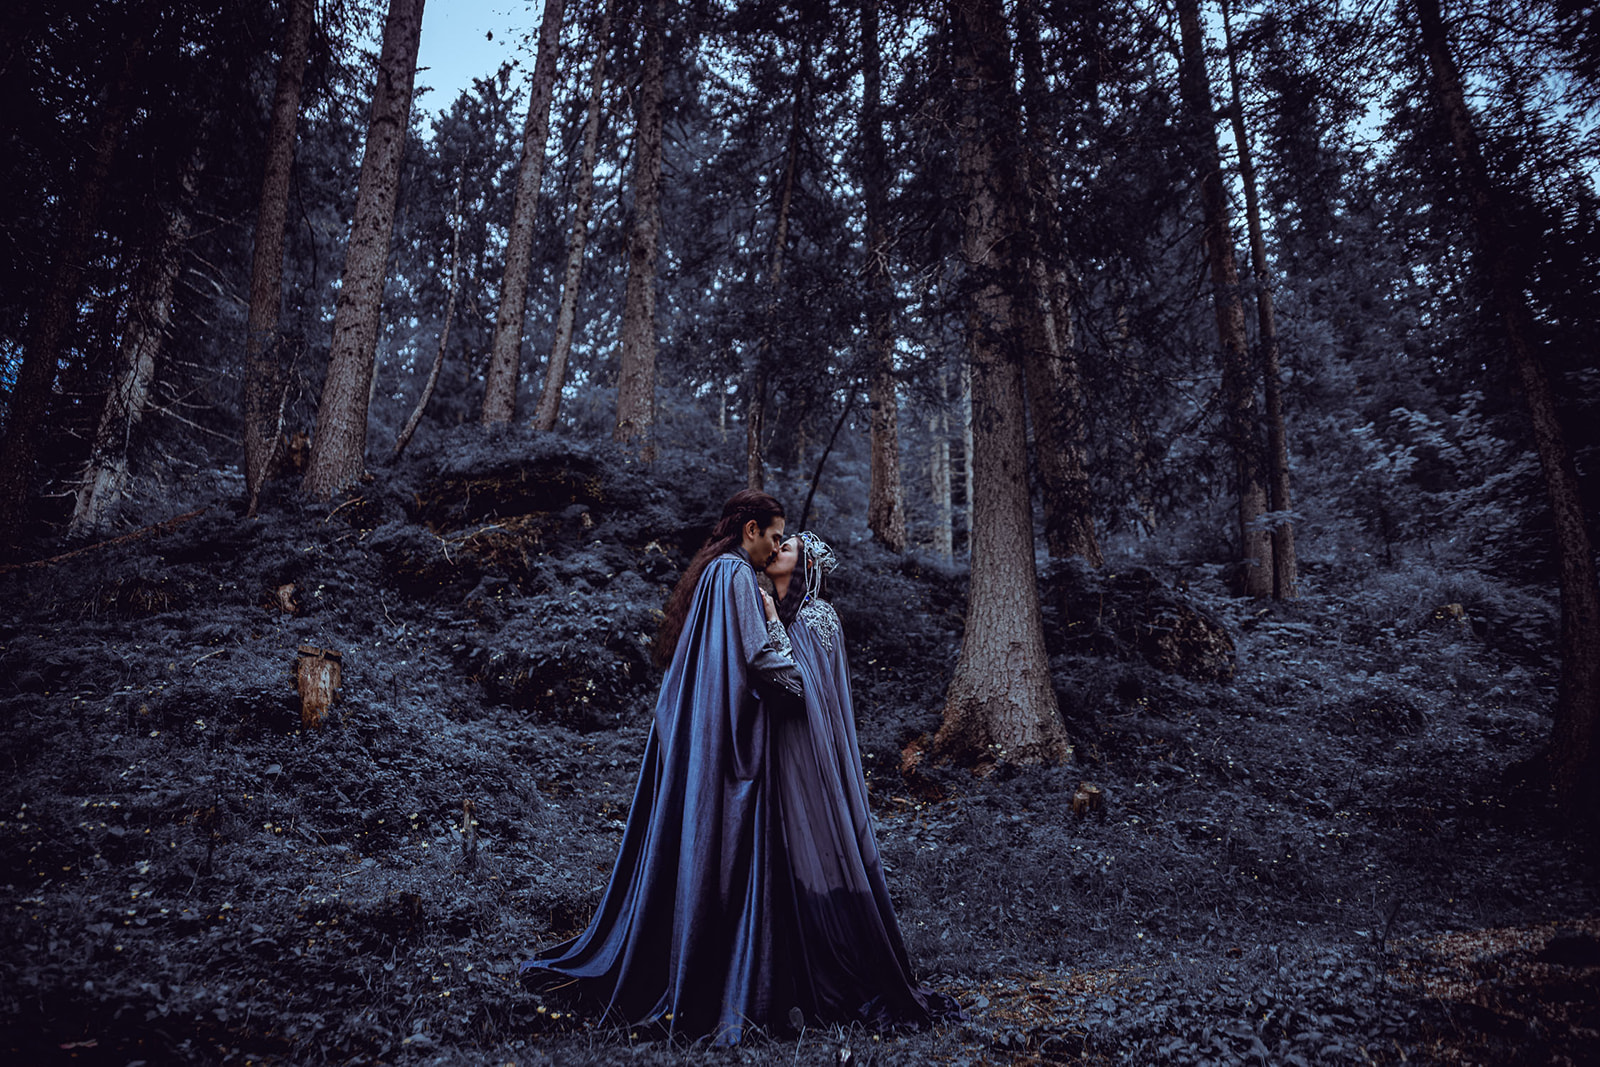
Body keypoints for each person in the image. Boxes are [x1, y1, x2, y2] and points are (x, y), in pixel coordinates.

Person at [520, 490, 807, 1044]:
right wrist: (807, 686)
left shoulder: (711, 575)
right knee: (724, 847)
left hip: (695, 730)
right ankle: (714, 983)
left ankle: (682, 964)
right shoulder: (738, 577)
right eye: (774, 536)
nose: (776, 549)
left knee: (692, 840)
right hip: (724, 738)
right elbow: (759, 659)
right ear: (751, 530)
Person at [764, 531, 960, 1027]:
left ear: (806, 566)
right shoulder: (793, 614)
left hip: (809, 745)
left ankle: (842, 964)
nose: (775, 551)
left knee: (816, 839)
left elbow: (800, 685)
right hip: (786, 744)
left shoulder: (816, 616)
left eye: (785, 548)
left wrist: (768, 627)